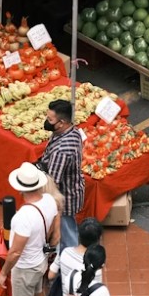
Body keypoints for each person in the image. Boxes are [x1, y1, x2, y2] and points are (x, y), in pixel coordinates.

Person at [5, 163, 60, 296]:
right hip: (41, 261)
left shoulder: (22, 217)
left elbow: (15, 252)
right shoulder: (49, 200)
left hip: (26, 267)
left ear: (20, 189)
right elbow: (56, 230)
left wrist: (3, 273)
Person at [39, 98, 87, 249]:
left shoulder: (62, 151)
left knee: (67, 232)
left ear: (61, 122)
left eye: (50, 119)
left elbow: (52, 182)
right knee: (68, 228)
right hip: (73, 188)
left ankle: (71, 261)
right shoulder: (72, 131)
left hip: (65, 197)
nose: (47, 121)